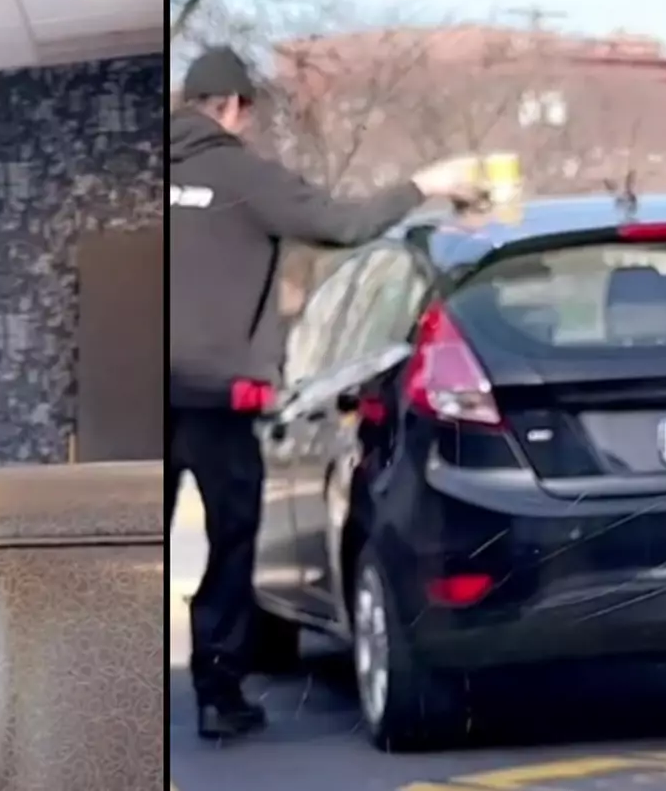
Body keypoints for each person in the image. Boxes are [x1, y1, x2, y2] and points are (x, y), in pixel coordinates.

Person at [168, 46, 482, 740]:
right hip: (220, 402)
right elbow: (345, 224)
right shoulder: (242, 174)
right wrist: (427, 181)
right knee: (228, 546)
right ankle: (218, 696)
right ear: (234, 107)